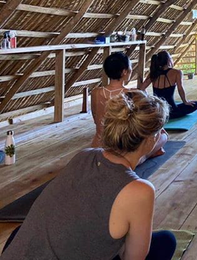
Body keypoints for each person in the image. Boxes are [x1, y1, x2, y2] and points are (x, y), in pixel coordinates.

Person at [1, 90, 177, 259]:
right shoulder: (140, 191)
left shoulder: (85, 156)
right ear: (150, 138)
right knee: (165, 242)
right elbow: (132, 257)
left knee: (20, 232)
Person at [91, 52, 168, 158]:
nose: (132, 70)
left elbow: (96, 119)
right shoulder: (132, 93)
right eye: (131, 68)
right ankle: (144, 156)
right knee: (163, 135)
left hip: (97, 146)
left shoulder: (96, 92)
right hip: (122, 149)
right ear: (124, 72)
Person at [141, 51, 197, 119]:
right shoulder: (177, 72)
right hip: (171, 111)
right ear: (168, 60)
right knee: (195, 104)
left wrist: (150, 100)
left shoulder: (153, 73)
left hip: (158, 110)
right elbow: (180, 89)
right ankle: (167, 115)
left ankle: (158, 115)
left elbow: (142, 89)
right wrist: (185, 102)